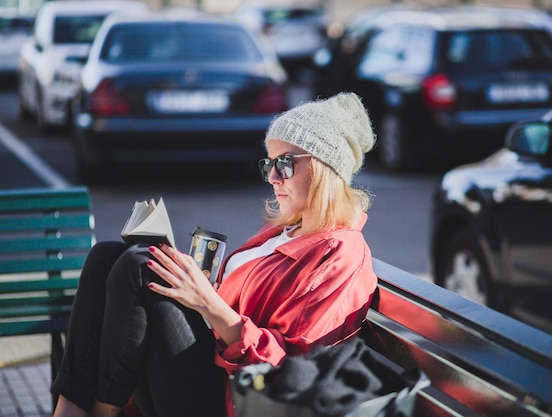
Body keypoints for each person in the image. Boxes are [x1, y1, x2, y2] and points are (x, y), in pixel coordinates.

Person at [51, 92, 378, 417]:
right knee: (106, 257)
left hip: (237, 397)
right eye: (269, 164)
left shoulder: (340, 252)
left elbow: (295, 367)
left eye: (286, 163)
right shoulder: (284, 232)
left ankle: (100, 411)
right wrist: (197, 283)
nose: (273, 177)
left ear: (325, 170)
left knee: (141, 266)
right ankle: (69, 409)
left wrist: (207, 301)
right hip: (209, 369)